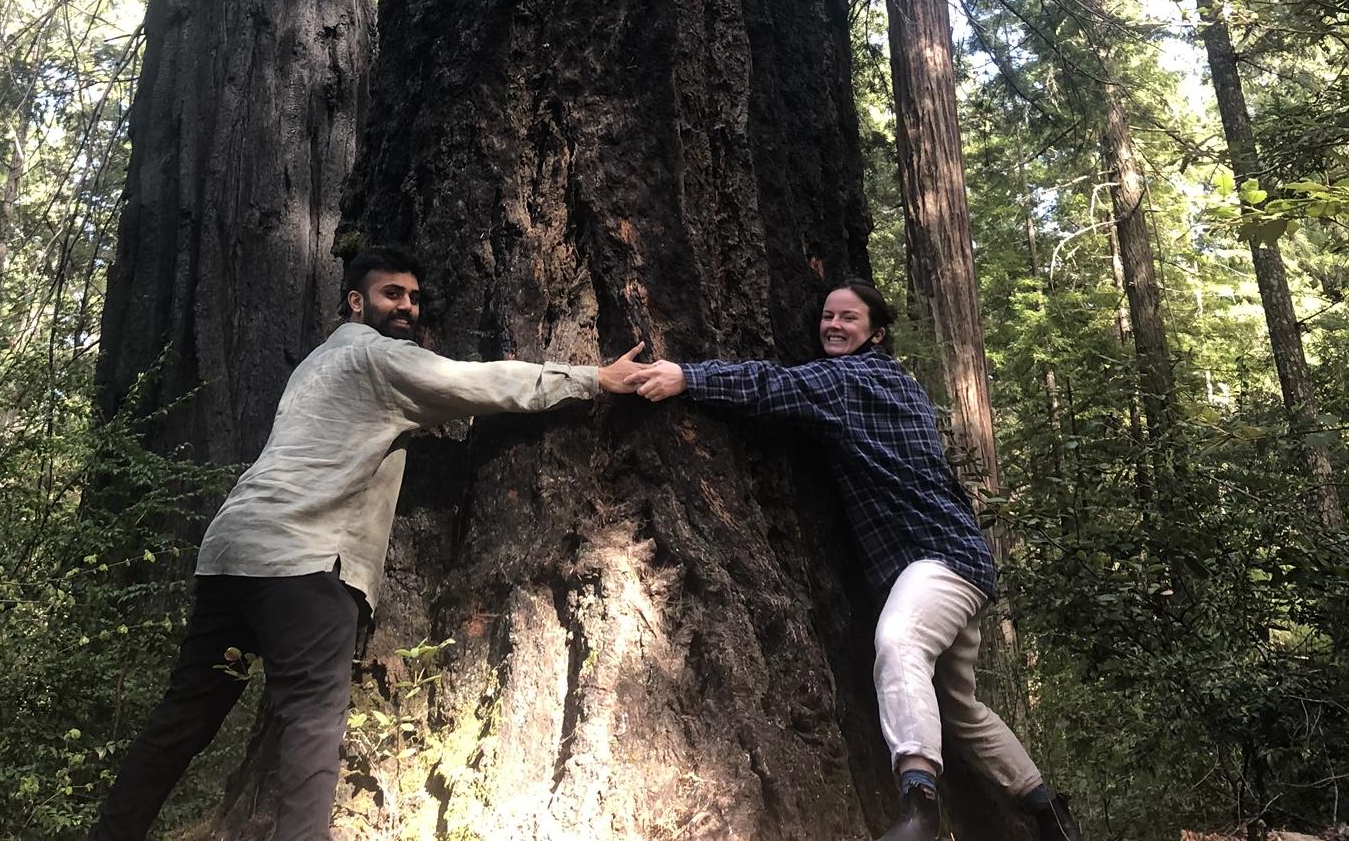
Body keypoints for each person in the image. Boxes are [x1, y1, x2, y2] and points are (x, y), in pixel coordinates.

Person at [90, 242, 645, 840]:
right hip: (302, 558)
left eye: (413, 297)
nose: (407, 306)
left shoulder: (315, 365)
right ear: (356, 301)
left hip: (231, 551)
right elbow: (477, 383)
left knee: (184, 718)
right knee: (311, 723)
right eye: (391, 294)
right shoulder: (380, 361)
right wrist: (591, 378)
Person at [632, 279, 1080, 841]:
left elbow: (772, 386)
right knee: (958, 705)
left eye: (849, 318)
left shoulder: (851, 380)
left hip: (936, 559)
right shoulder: (899, 383)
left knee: (899, 643)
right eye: (827, 316)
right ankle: (1046, 812)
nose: (834, 326)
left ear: (876, 333)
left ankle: (919, 809)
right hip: (958, 562)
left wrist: (686, 376)